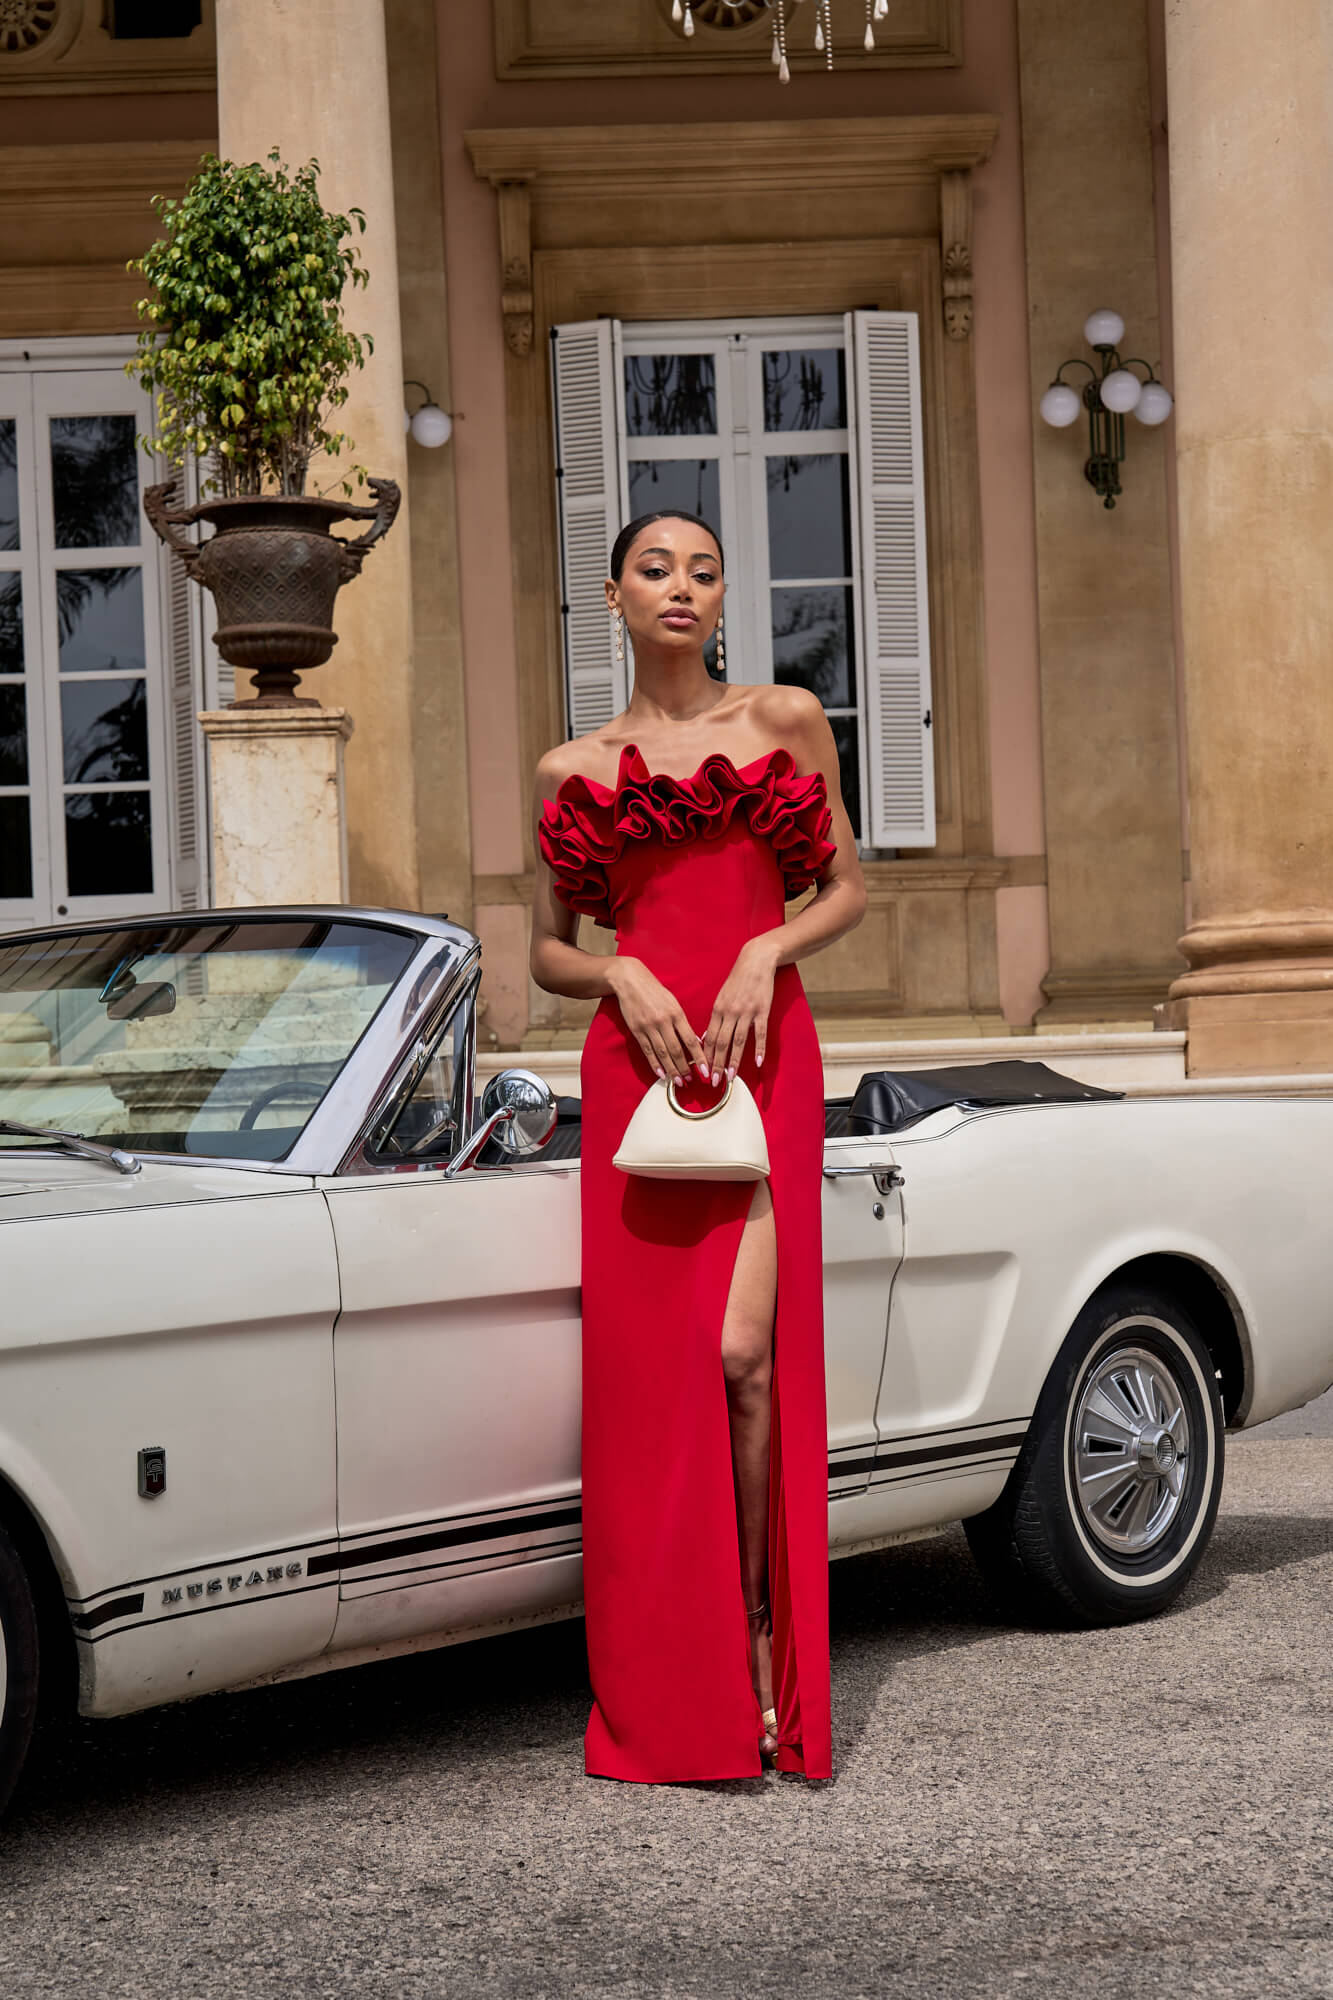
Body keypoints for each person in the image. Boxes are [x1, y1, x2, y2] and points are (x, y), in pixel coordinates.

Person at [530, 510, 866, 1782]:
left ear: (723, 600)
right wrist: (617, 976)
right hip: (639, 1073)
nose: (682, 586)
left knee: (741, 1356)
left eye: (705, 570)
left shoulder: (779, 720)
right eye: (656, 569)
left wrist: (763, 947)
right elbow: (548, 947)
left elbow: (844, 885)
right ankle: (683, 1685)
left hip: (765, 1051)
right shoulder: (574, 767)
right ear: (612, 597)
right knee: (651, 1387)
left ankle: (764, 1647)